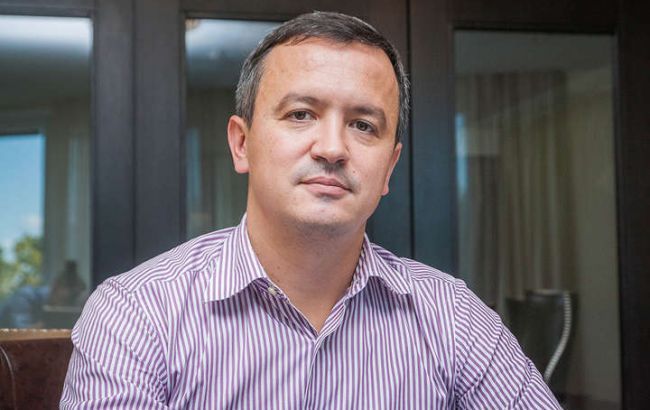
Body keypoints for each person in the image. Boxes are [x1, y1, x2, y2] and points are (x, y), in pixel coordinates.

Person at [61, 11, 560, 409]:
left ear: (389, 167)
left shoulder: (454, 319)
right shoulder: (138, 315)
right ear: (241, 144)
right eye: (301, 114)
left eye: (363, 125)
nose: (332, 148)